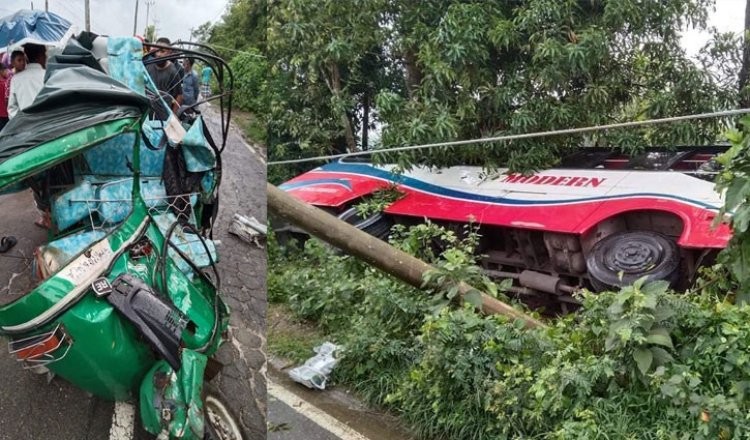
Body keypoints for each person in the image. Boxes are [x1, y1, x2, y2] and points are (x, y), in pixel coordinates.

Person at [145, 37, 183, 119]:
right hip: (147, 111)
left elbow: (179, 95)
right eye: (157, 51)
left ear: (169, 53)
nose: (158, 54)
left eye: (162, 51)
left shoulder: (173, 71)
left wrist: (173, 115)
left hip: (163, 114)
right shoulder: (149, 65)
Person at [8, 43, 46, 118]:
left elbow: (12, 109)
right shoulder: (47, 75)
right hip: (46, 124)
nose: (46, 57)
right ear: (41, 56)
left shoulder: (15, 79)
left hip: (25, 126)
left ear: (26, 57)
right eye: (45, 54)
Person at [0, 62, 10, 131]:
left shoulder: (5, 82)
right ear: (1, 71)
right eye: (6, 70)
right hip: (5, 114)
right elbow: (7, 99)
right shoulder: (5, 83)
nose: (8, 72)